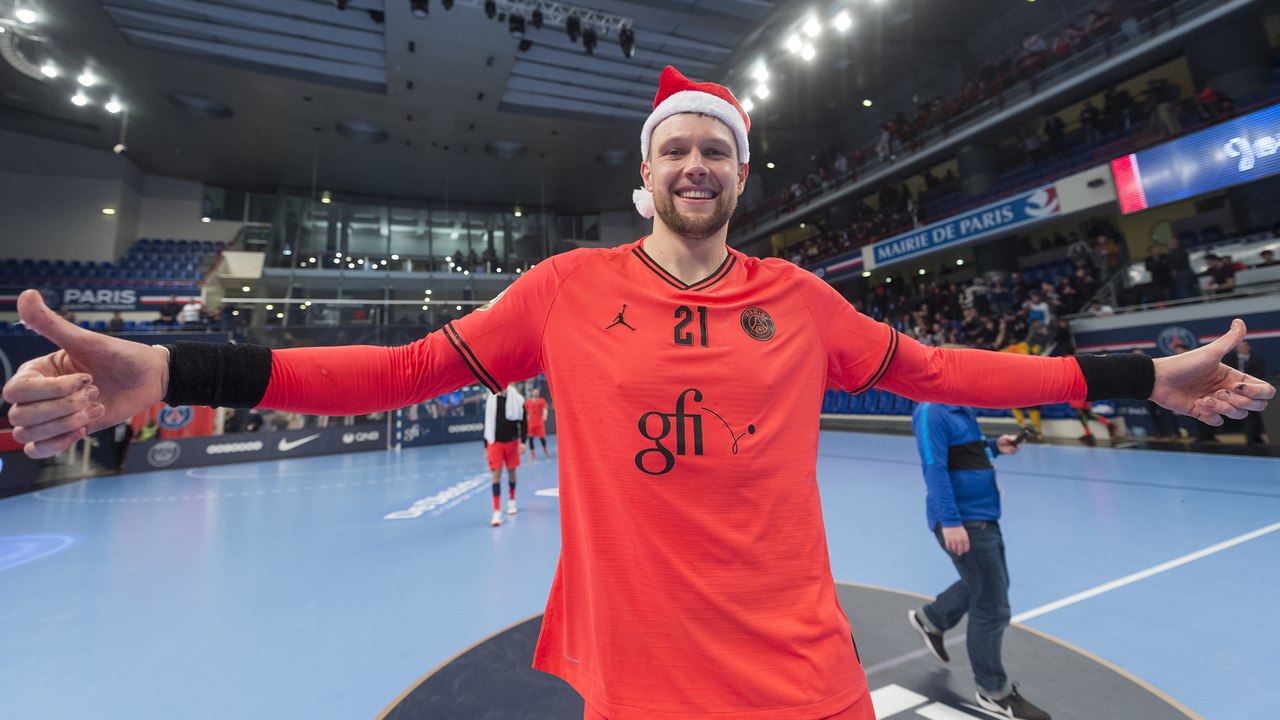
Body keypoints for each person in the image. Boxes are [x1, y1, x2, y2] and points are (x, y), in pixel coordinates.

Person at [2, 67, 1273, 720]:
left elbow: (954, 370)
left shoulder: (804, 302)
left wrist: (1143, 374)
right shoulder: (562, 290)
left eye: (715, 146)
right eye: (675, 147)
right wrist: (173, 371)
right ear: (646, 178)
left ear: (741, 173)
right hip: (642, 676)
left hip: (799, 674)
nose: (695, 162)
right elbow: (393, 372)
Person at [908, 401, 1049, 719]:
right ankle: (993, 692)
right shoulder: (932, 411)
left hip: (985, 515)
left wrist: (995, 447)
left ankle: (932, 618)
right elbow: (935, 467)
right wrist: (951, 521)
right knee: (993, 605)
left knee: (987, 585)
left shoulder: (960, 408)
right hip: (965, 521)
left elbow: (964, 454)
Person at [483, 383, 525, 526]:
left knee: (512, 471)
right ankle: (496, 511)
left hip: (512, 442)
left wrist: (523, 441)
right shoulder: (491, 399)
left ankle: (512, 500)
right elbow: (487, 423)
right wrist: (485, 446)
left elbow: (523, 422)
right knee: (496, 475)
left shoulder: (518, 399)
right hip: (495, 443)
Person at [1224, 340, 1268, 445]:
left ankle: (1254, 438)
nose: (1241, 349)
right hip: (1233, 391)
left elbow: (1261, 375)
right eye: (1238, 347)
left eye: (1243, 346)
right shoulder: (1229, 360)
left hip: (1253, 391)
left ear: (1248, 347)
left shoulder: (1257, 360)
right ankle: (1251, 438)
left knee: (1254, 415)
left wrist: (1247, 385)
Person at [523, 385, 550, 460]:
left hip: (539, 423)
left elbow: (544, 409)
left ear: (538, 393)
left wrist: (545, 416)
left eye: (536, 392)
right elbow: (526, 412)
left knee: (542, 438)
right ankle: (532, 454)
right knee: (530, 439)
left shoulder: (542, 401)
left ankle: (545, 449)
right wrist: (526, 420)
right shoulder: (528, 402)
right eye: (534, 392)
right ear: (532, 393)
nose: (535, 393)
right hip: (531, 424)